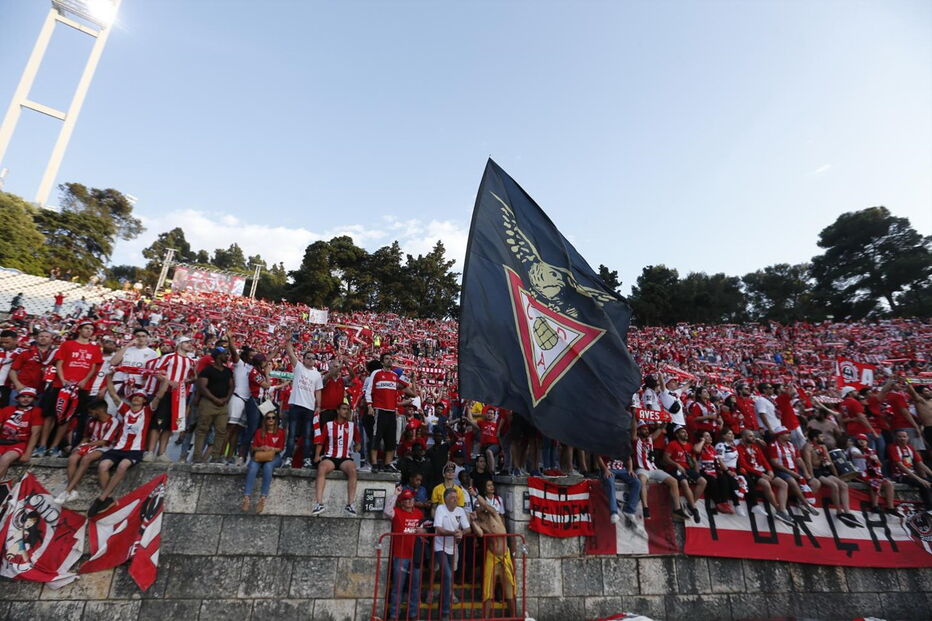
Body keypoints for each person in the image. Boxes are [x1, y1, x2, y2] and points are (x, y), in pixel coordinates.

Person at [93, 374, 152, 516]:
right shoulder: (125, 409)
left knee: (122, 466)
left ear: (144, 400)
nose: (137, 398)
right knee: (102, 466)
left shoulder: (147, 411)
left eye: (140, 397)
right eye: (135, 397)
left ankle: (103, 497)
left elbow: (160, 396)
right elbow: (113, 394)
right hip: (119, 448)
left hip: (135, 449)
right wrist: (110, 376)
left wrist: (164, 380)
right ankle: (108, 497)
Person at [47, 321, 103, 456]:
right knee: (52, 415)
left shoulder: (95, 348)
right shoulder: (67, 344)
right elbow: (59, 363)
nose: (89, 331)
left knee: (69, 418)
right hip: (61, 385)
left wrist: (84, 380)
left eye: (91, 329)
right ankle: (43, 445)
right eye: (86, 328)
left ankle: (55, 446)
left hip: (81, 388)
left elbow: (93, 367)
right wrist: (62, 379)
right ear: (79, 330)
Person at [55, 398, 120, 504]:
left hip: (105, 447)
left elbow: (104, 442)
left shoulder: (114, 421)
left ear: (99, 410)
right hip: (90, 445)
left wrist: (86, 445)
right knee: (73, 458)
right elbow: (86, 437)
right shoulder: (91, 421)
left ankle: (67, 490)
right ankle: (74, 491)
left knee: (87, 458)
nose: (90, 414)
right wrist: (79, 446)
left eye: (91, 411)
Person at [469, 485, 517, 620]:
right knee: (488, 590)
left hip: (505, 556)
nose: (480, 507)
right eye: (477, 506)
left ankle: (513, 617)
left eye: (481, 505)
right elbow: (479, 534)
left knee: (509, 588)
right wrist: (473, 522)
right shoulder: (481, 523)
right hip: (492, 556)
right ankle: (486, 618)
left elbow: (485, 504)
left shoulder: (494, 514)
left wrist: (475, 494)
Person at [147, 336, 196, 463]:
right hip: (166, 394)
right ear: (179, 344)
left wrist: (188, 380)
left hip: (179, 397)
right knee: (157, 422)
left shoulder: (191, 362)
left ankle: (162, 452)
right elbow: (157, 372)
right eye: (186, 342)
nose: (189, 344)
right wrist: (168, 382)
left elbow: (192, 378)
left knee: (170, 425)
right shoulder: (168, 357)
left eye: (190, 342)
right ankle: (150, 451)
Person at [366, 353, 416, 472]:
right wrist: (369, 406)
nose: (389, 361)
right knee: (376, 437)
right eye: (387, 359)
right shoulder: (376, 373)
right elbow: (369, 390)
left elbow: (407, 389)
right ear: (382, 362)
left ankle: (387, 463)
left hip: (392, 411)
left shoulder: (394, 376)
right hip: (379, 409)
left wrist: (411, 379)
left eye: (391, 359)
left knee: (391, 439)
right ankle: (374, 463)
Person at [801, 428, 861, 527]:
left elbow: (830, 463)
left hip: (824, 470)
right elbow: (809, 463)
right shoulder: (808, 447)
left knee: (844, 485)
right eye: (821, 436)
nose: (823, 438)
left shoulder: (823, 446)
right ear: (815, 438)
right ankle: (839, 512)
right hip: (816, 472)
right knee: (834, 485)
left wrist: (837, 476)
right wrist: (811, 477)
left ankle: (847, 513)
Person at [384, 488, 427, 621]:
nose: (409, 501)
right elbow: (386, 511)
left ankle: (413, 614)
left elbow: (426, 529)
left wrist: (423, 530)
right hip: (400, 555)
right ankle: (393, 615)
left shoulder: (419, 514)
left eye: (411, 499)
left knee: (415, 586)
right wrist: (395, 495)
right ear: (401, 502)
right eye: (406, 499)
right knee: (398, 586)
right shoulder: (397, 512)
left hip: (416, 555)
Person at [312, 401, 361, 516]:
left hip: (345, 458)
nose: (346, 411)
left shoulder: (352, 426)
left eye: (347, 409)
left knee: (352, 470)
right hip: (330, 457)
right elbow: (321, 442)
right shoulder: (328, 425)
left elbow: (358, 442)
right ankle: (319, 503)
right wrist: (317, 456)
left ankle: (350, 504)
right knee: (322, 468)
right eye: (344, 409)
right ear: (338, 411)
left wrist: (358, 446)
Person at [737, 428, 793, 525]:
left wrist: (770, 470)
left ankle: (782, 510)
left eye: (753, 436)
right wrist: (761, 474)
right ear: (743, 437)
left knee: (783, 484)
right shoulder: (739, 448)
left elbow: (763, 460)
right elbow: (744, 465)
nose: (753, 437)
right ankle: (777, 508)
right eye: (750, 436)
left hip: (763, 471)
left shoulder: (755, 447)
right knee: (766, 483)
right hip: (753, 474)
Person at [433, 486, 470, 621]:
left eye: (456, 498)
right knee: (447, 576)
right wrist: (453, 533)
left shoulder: (460, 510)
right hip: (440, 547)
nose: (455, 500)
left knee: (447, 578)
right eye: (452, 498)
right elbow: (438, 529)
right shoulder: (440, 509)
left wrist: (461, 532)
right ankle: (445, 612)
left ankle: (440, 608)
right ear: (446, 499)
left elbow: (468, 528)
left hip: (453, 548)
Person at [284, 339, 323, 469]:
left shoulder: (317, 375)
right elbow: (290, 353)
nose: (311, 360)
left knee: (307, 435)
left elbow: (318, 391)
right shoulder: (299, 367)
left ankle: (306, 459)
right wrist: (288, 339)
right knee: (292, 434)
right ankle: (288, 458)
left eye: (313, 358)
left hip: (309, 407)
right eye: (308, 357)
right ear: (304, 359)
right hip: (295, 404)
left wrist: (318, 406)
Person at [768, 426, 819, 517]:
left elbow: (799, 460)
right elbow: (775, 463)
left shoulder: (791, 445)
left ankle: (800, 502)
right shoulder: (773, 445)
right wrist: (791, 473)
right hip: (781, 470)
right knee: (792, 481)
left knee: (815, 482)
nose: (789, 434)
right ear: (780, 435)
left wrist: (805, 472)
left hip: (795, 470)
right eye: (786, 433)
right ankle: (806, 504)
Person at [633, 421, 680, 520]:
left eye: (647, 429)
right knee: (642, 481)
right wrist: (633, 415)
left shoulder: (650, 439)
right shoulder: (636, 440)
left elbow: (660, 428)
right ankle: (645, 508)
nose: (646, 430)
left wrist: (666, 419)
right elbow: (633, 429)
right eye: (644, 429)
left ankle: (677, 509)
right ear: (638, 430)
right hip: (642, 469)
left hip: (654, 469)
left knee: (674, 481)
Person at [194, 347, 233, 463]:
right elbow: (202, 387)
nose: (227, 356)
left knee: (221, 431)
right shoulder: (207, 370)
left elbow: (231, 386)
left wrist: (226, 399)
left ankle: (215, 456)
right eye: (225, 354)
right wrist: (215, 399)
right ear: (218, 355)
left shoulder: (228, 371)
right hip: (208, 403)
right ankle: (197, 456)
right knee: (202, 430)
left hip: (222, 404)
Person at [241, 410, 285, 514]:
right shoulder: (259, 432)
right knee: (252, 467)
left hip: (273, 456)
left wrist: (271, 448)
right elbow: (253, 447)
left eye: (273, 418)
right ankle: (246, 497)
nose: (271, 420)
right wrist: (261, 447)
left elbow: (281, 448)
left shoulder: (280, 432)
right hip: (260, 455)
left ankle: (263, 498)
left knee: (268, 467)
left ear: (276, 420)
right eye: (268, 418)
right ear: (265, 420)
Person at [848, 433, 900, 515]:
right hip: (860, 474)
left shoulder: (871, 451)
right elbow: (855, 455)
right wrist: (867, 456)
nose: (862, 442)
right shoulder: (854, 449)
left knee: (888, 484)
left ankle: (890, 507)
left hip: (872, 474)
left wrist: (876, 460)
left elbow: (880, 464)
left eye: (864, 440)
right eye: (860, 440)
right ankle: (874, 506)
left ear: (867, 442)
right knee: (876, 482)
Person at [662, 425, 705, 522]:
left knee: (703, 481)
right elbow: (665, 458)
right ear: (677, 434)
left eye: (685, 432)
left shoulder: (690, 445)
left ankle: (691, 504)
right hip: (674, 468)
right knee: (684, 482)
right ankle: (694, 509)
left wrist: (697, 473)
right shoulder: (672, 444)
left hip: (687, 469)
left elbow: (693, 460)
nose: (685, 433)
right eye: (682, 432)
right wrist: (676, 464)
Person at [0, 388, 42, 480]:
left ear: (34, 399)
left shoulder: (36, 411)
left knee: (5, 459)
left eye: (29, 397)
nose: (26, 399)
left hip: (19, 444)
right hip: (2, 442)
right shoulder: (7, 409)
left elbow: (36, 434)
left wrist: (28, 453)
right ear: (18, 398)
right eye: (23, 396)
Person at [598, 453, 645, 532]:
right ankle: (614, 512)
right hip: (609, 468)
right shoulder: (604, 441)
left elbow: (628, 457)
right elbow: (598, 456)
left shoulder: (622, 442)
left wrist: (630, 469)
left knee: (637, 482)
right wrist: (605, 470)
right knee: (610, 482)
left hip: (622, 469)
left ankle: (629, 510)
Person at [888, 429, 932, 509]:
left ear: (908, 438)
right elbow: (900, 465)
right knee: (924, 484)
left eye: (904, 437)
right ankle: (929, 508)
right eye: (899, 437)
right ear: (896, 438)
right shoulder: (892, 447)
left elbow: (920, 464)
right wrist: (919, 479)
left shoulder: (910, 448)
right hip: (900, 476)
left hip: (912, 475)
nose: (902, 439)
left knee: (929, 481)